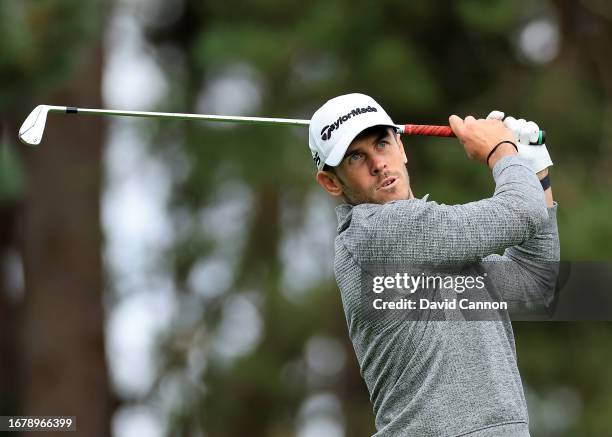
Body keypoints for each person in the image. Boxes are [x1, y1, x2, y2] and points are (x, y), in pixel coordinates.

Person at [308, 93, 559, 436]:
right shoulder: (373, 233)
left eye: (382, 143)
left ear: (402, 147)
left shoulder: (436, 245)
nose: (377, 163)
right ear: (331, 182)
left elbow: (536, 283)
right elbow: (521, 211)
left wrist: (535, 172)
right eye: (355, 156)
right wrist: (501, 150)